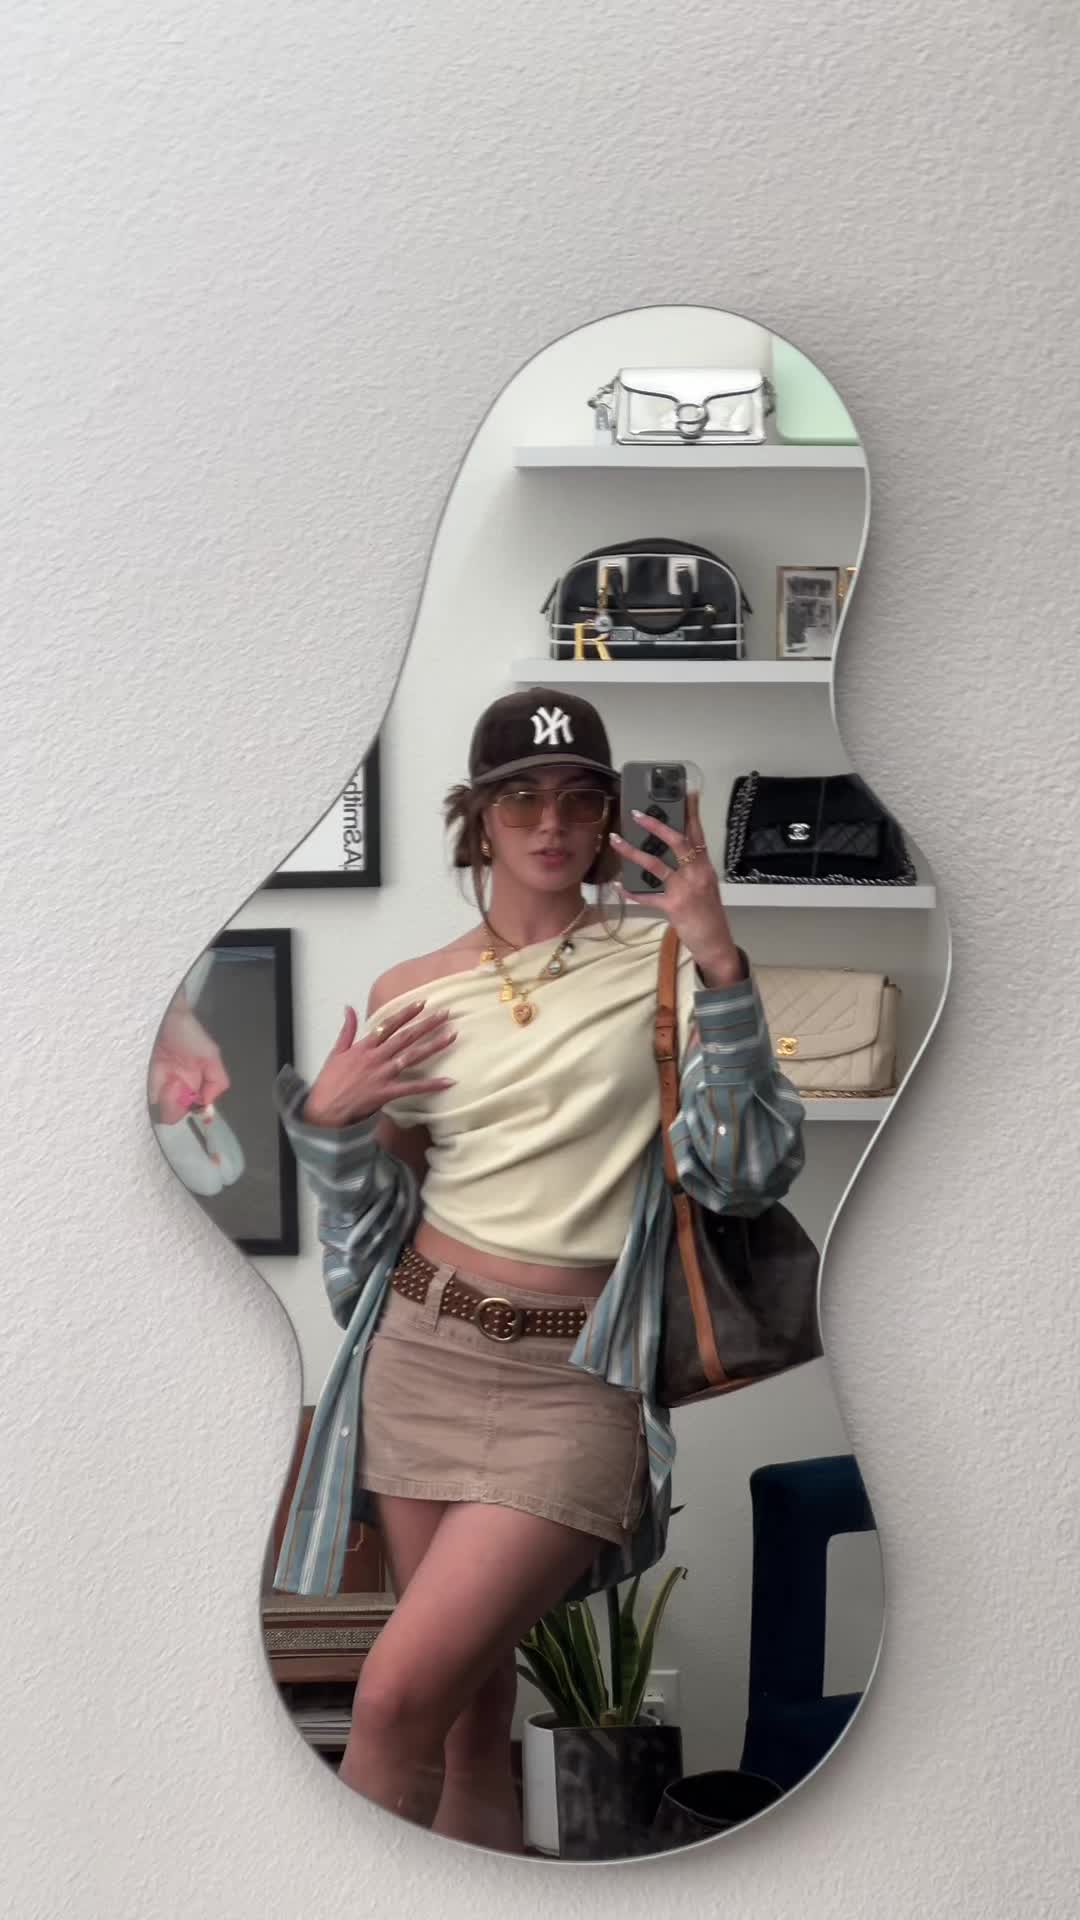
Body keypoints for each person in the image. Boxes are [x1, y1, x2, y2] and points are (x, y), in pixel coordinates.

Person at [269, 687, 806, 1851]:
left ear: (613, 816)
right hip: (423, 1356)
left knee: (389, 1701)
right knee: (466, 1724)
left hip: (577, 1382)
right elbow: (372, 1218)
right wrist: (328, 1127)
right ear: (479, 820)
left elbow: (748, 1171)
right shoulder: (412, 990)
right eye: (520, 799)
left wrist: (719, 955)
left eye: (578, 799)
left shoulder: (666, 963)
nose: (550, 824)